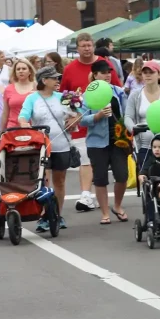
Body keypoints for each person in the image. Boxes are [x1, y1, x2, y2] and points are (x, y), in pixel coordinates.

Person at [18, 66, 77, 231]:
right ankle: (44, 214)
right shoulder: (32, 98)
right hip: (41, 147)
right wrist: (24, 124)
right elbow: (23, 116)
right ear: (44, 80)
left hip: (62, 145)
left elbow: (76, 113)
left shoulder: (63, 97)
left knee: (60, 181)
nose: (58, 81)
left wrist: (74, 120)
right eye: (54, 78)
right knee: (43, 181)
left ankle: (57, 214)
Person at [61, 32, 112, 211]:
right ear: (77, 48)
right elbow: (64, 95)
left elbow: (117, 89)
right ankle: (85, 194)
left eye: (89, 45)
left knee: (98, 160)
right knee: (85, 158)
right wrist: (70, 114)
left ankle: (94, 193)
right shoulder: (70, 69)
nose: (87, 48)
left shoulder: (105, 65)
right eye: (83, 46)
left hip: (105, 120)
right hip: (81, 119)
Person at [80, 60, 129, 225]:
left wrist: (130, 132)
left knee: (122, 175)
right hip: (97, 142)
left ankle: (117, 206)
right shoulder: (87, 95)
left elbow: (126, 114)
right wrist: (97, 116)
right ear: (95, 75)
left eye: (109, 71)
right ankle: (105, 212)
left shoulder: (119, 91)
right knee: (100, 178)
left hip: (118, 140)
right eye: (102, 72)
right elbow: (81, 120)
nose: (107, 75)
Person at [124, 61, 160, 169]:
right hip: (144, 142)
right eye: (145, 72)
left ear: (158, 74)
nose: (147, 75)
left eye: (151, 72)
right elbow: (128, 117)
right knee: (146, 174)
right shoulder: (135, 95)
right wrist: (133, 128)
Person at [1, 59, 36, 130]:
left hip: (32, 128)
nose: (21, 71)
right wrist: (1, 132)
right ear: (15, 72)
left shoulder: (37, 87)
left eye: (24, 69)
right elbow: (5, 113)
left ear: (30, 71)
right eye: (18, 69)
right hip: (12, 128)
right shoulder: (9, 89)